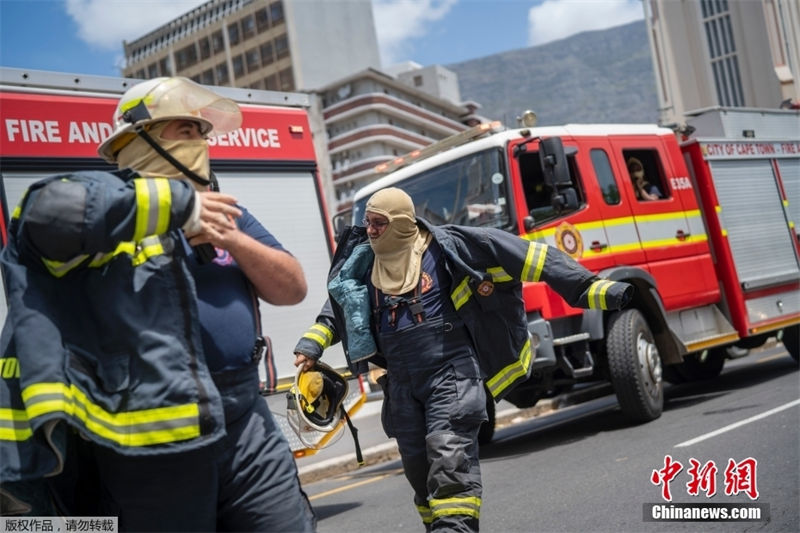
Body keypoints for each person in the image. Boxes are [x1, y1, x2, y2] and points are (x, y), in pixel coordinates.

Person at [0, 77, 316, 532]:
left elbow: (293, 288)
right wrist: (175, 208)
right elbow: (46, 214)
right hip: (153, 443)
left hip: (246, 423)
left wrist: (231, 238)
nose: (200, 142)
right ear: (136, 139)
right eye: (184, 130)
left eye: (202, 132)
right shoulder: (100, 211)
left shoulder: (226, 212)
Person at [293, 187, 633, 532]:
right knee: (418, 471)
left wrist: (594, 289)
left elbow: (534, 257)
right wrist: (311, 345)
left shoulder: (448, 248)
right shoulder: (363, 266)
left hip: (451, 376)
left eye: (379, 223)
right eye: (367, 222)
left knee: (449, 456)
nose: (370, 230)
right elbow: (338, 313)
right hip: (401, 387)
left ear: (399, 223)